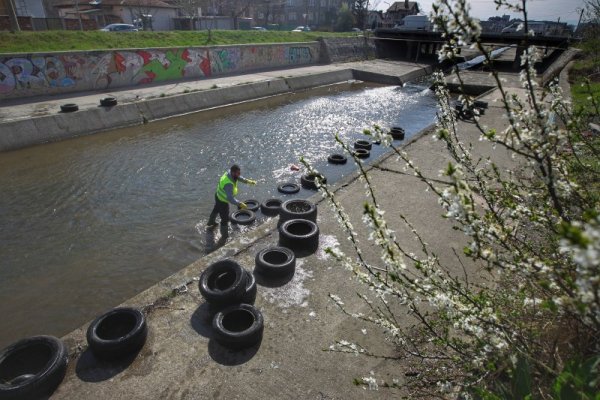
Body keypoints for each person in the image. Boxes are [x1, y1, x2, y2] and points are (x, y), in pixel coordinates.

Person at [207, 164, 256, 238]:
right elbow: (230, 198)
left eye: (240, 172)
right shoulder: (228, 184)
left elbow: (238, 178)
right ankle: (224, 236)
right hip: (223, 201)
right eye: (238, 173)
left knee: (216, 209)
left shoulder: (229, 173)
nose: (239, 174)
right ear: (233, 172)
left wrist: (248, 181)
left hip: (218, 195)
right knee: (225, 219)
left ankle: (211, 223)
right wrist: (240, 204)